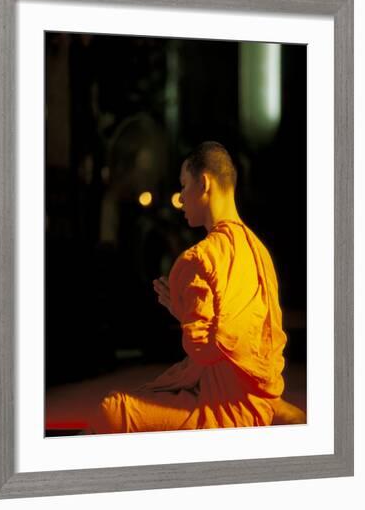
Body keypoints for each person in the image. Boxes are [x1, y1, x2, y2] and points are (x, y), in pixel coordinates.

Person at [90, 141, 305, 434]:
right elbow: (241, 338)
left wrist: (184, 311)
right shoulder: (259, 251)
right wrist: (185, 310)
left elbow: (204, 351)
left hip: (225, 408)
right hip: (259, 396)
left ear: (204, 184)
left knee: (111, 410)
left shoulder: (199, 259)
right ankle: (270, 410)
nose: (180, 199)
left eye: (183, 185)